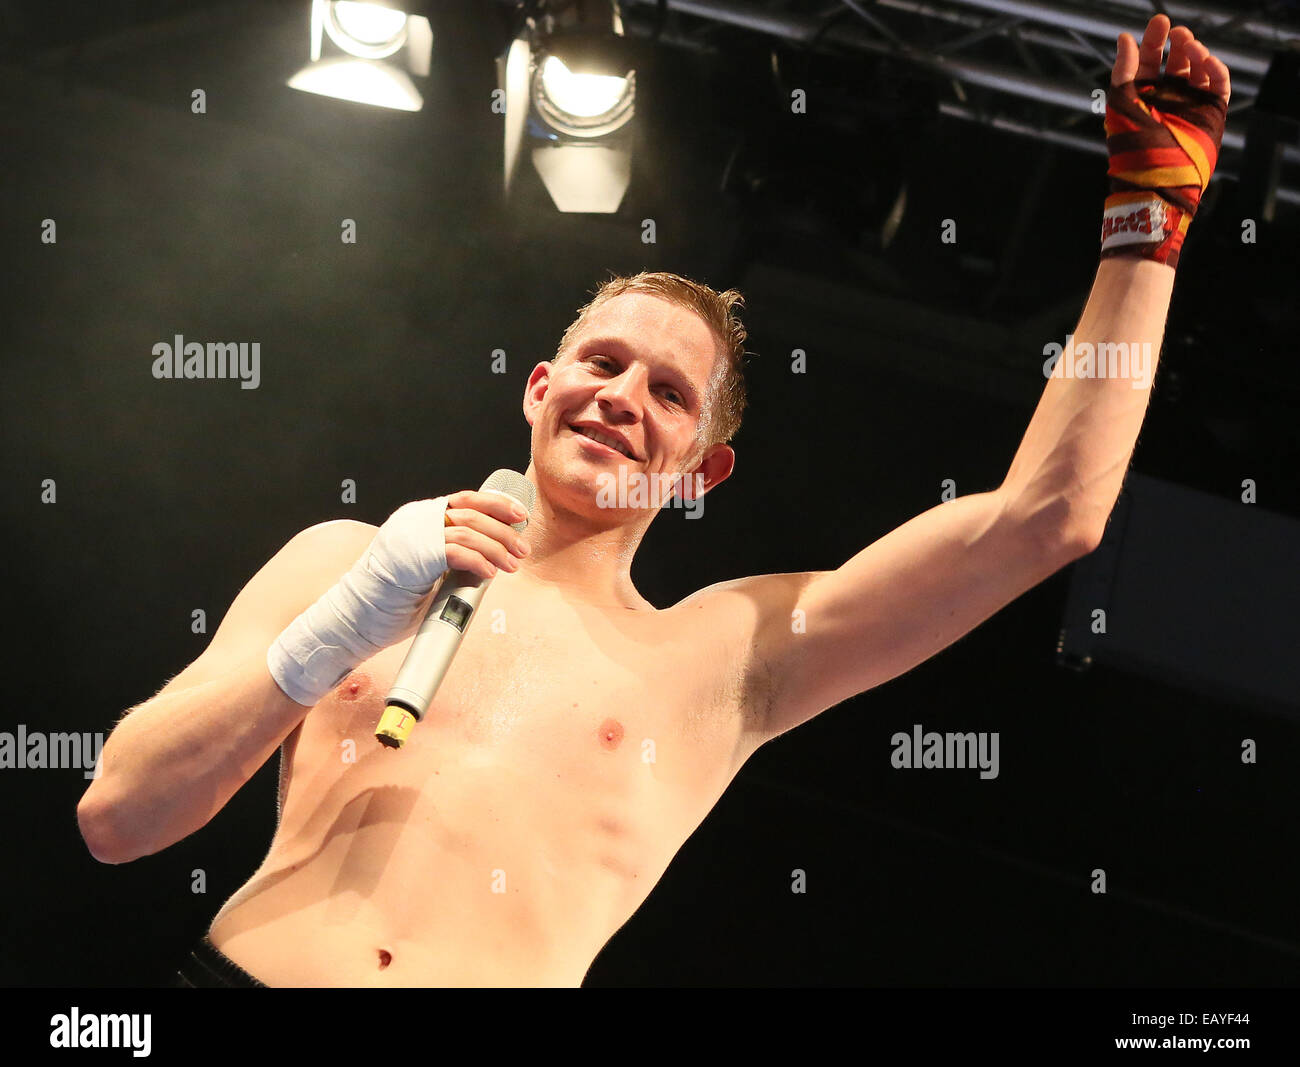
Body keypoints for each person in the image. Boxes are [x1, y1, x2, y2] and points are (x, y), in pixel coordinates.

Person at [79, 14, 1229, 987]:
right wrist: (347, 619)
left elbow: (1047, 519)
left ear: (699, 472)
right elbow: (119, 818)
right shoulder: (350, 555)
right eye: (601, 362)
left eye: (669, 392)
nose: (621, 396)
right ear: (540, 388)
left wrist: (1147, 222)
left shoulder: (722, 657)